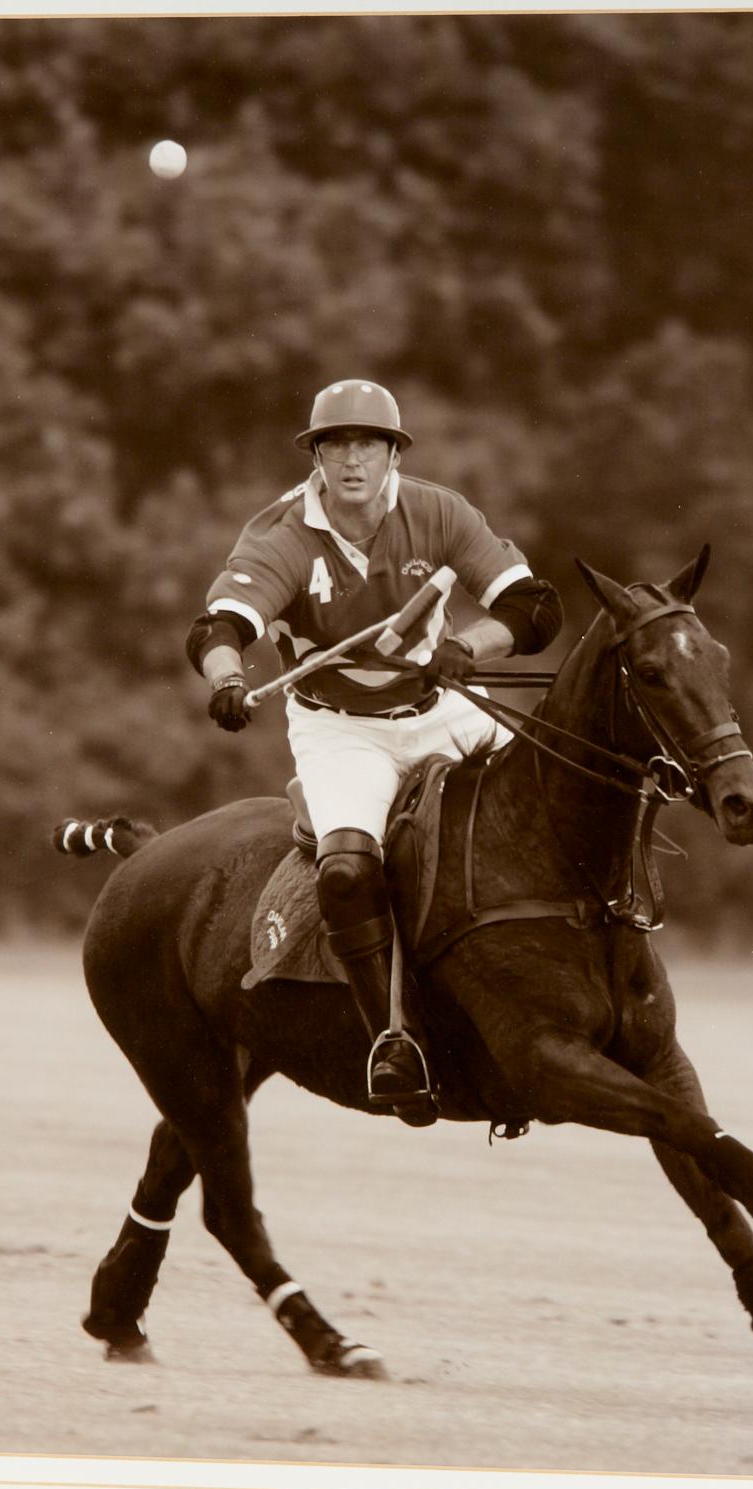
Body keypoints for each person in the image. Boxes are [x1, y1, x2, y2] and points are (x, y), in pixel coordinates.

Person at [185, 379, 562, 1125]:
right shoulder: (284, 534)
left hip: (440, 708)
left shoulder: (439, 512)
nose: (353, 460)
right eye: (336, 445)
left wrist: (467, 647)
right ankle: (396, 1040)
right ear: (317, 456)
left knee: (552, 803)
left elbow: (533, 607)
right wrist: (228, 681)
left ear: (393, 452)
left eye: (369, 444)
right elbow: (219, 628)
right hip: (341, 729)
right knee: (351, 870)